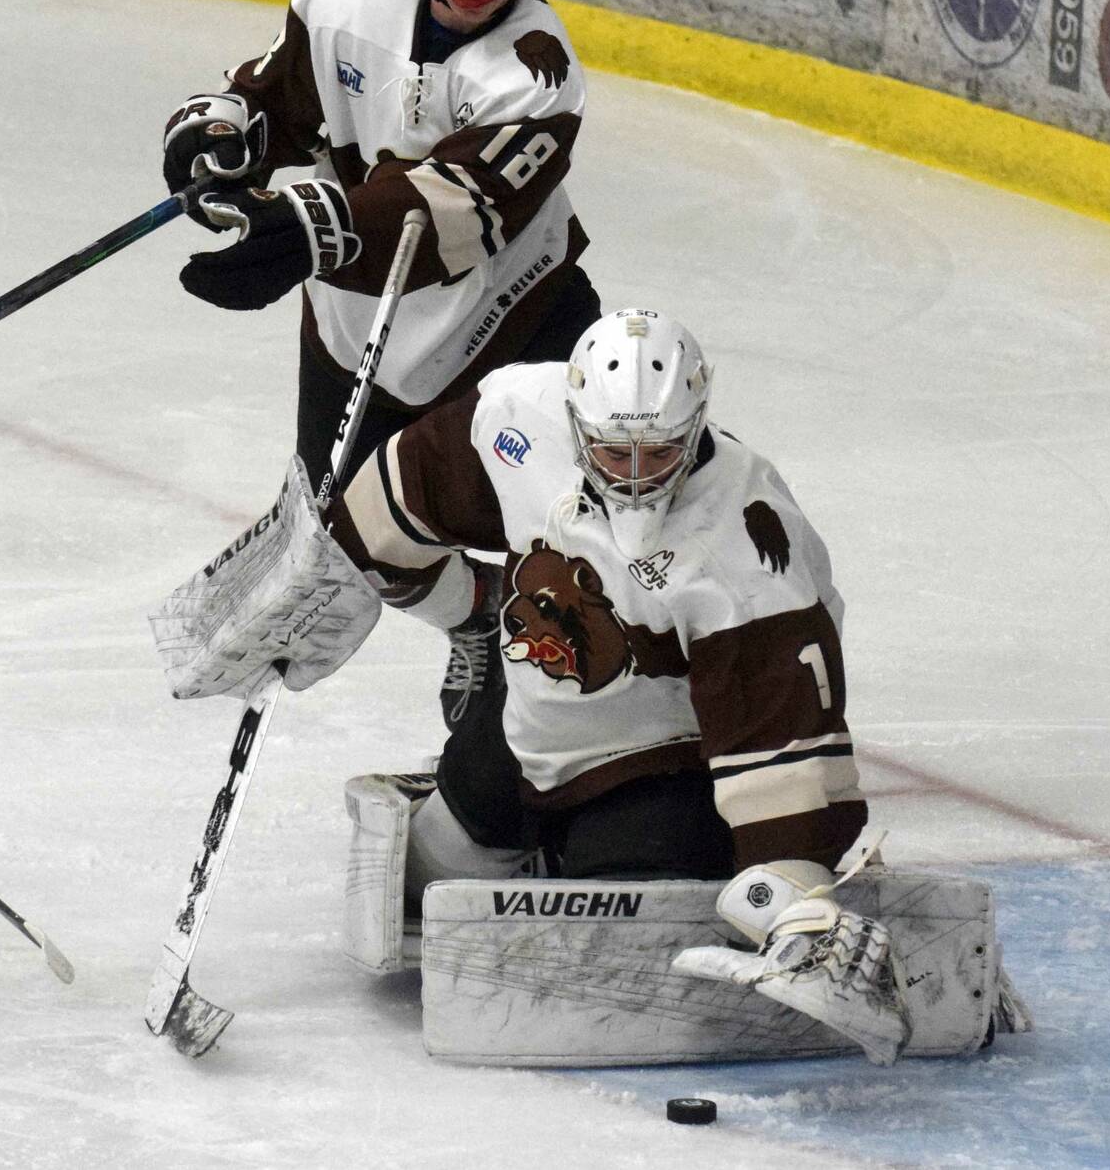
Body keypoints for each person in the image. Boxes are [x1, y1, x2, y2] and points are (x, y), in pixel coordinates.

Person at [325, 308, 901, 1056]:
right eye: (610, 449)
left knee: (615, 926)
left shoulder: (745, 538)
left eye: (655, 453)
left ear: (697, 425)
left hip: (656, 759)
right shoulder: (519, 424)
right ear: (573, 419)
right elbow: (400, 498)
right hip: (524, 721)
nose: (630, 475)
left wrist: (795, 897)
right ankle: (541, 835)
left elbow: (777, 732)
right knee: (427, 878)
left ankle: (620, 849)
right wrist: (323, 575)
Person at [159, 0, 601, 730]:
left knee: (565, 521)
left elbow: (458, 214)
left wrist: (308, 228)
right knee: (351, 538)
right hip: (353, 322)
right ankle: (474, 617)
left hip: (516, 316)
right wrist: (221, 136)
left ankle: (582, 685)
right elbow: (276, 100)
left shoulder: (539, 74)